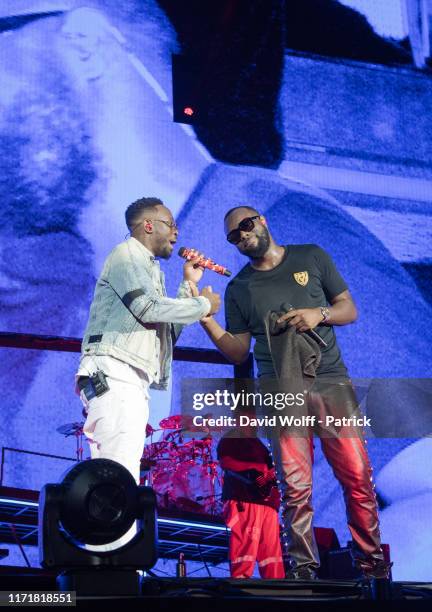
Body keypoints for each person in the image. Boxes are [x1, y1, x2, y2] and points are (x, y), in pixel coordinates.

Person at [194, 205, 390, 580]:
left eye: (246, 226)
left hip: (330, 381)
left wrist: (320, 313)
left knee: (358, 477)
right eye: (234, 236)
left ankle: (374, 570)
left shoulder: (310, 256)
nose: (242, 237)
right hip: (279, 390)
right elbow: (238, 350)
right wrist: (207, 320)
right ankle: (303, 573)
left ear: (262, 221)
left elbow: (349, 309)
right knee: (295, 489)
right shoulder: (239, 288)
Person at [76, 196, 220, 486]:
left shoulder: (149, 268)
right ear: (149, 225)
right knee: (119, 475)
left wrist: (188, 287)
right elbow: (147, 307)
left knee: (114, 474)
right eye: (172, 225)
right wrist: (203, 306)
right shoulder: (126, 255)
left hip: (127, 376)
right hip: (114, 372)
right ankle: (117, 531)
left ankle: (110, 529)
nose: (177, 233)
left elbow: (164, 333)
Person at [217, 428, 284, 579]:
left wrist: (272, 472)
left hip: (267, 503)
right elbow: (225, 461)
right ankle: (240, 590)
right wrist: (253, 467)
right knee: (245, 551)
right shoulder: (231, 437)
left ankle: (277, 591)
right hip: (244, 499)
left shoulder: (259, 444)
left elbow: (269, 470)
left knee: (271, 555)